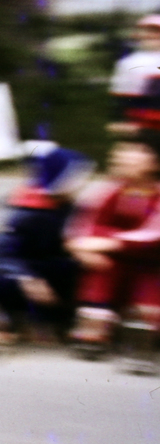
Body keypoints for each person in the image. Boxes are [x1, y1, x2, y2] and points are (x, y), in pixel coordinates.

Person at [0, 145, 89, 343]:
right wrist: (27, 277)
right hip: (23, 269)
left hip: (50, 269)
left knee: (76, 270)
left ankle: (56, 321)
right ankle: (8, 317)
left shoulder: (71, 208)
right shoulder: (26, 210)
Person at [65, 138, 160, 359]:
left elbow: (153, 233)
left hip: (151, 265)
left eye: (133, 152)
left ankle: (143, 332)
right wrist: (83, 248)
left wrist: (111, 241)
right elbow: (83, 226)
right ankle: (94, 328)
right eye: (121, 151)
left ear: (154, 163)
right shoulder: (107, 190)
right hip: (114, 262)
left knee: (149, 293)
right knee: (102, 269)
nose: (122, 156)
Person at [107, 12, 160, 138]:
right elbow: (121, 99)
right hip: (144, 127)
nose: (151, 35)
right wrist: (119, 121)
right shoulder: (128, 63)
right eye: (147, 31)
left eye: (156, 31)